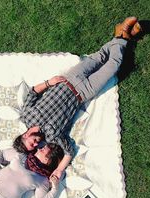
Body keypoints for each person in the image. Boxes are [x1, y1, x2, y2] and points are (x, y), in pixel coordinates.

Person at [17, 16, 142, 180]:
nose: (35, 145)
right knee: (113, 66)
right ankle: (123, 34)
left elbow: (33, 92)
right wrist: (59, 170)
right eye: (34, 148)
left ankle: (123, 35)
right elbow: (69, 151)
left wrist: (49, 82)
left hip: (69, 79)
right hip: (83, 93)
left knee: (100, 56)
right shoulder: (52, 137)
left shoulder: (26, 115)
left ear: (25, 135)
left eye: (31, 144)